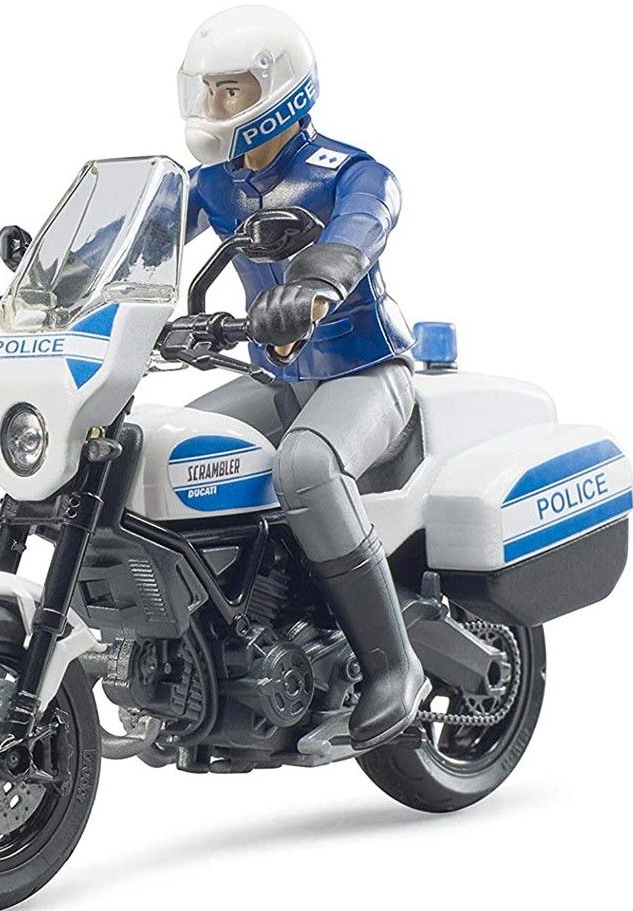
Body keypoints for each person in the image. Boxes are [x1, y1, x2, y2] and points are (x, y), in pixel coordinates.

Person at [179, 5, 429, 749]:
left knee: (308, 465)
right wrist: (59, 280)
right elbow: (143, 236)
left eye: (231, 90)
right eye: (208, 89)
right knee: (171, 448)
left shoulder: (349, 172)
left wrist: (319, 279)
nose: (214, 105)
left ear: (279, 92)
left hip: (366, 371)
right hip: (278, 376)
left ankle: (394, 665)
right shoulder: (215, 183)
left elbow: (367, 217)